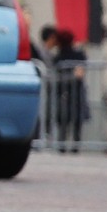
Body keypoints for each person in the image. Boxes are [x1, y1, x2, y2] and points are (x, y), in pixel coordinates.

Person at [40, 25, 88, 153]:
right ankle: (75, 147)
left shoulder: (58, 58)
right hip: (77, 94)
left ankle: (61, 146)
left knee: (63, 122)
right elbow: (80, 72)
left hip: (62, 94)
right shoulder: (79, 55)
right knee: (77, 123)